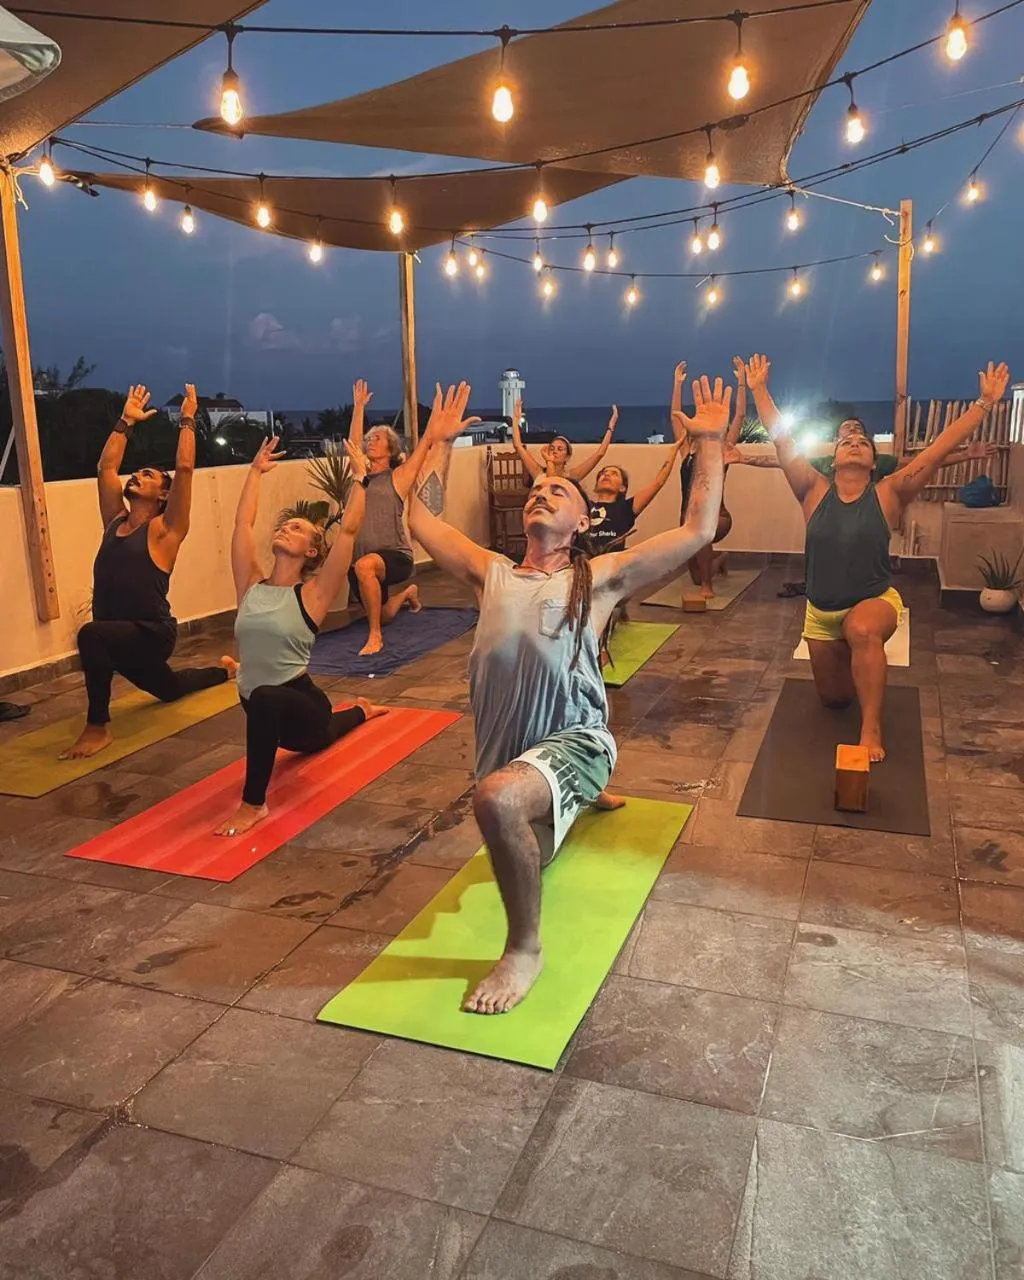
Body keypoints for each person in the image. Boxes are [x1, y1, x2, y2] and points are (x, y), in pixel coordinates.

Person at [409, 376, 728, 1015]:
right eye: (535, 489)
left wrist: (713, 442)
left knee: (497, 802)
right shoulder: (490, 570)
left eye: (556, 489)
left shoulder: (600, 578)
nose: (540, 492)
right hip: (507, 748)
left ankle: (524, 950)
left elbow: (697, 530)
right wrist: (437, 443)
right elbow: (420, 518)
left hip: (578, 740)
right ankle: (573, 800)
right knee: (516, 833)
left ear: (582, 520)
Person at [746, 353, 1010, 762]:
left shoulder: (889, 493)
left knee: (863, 629)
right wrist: (760, 390)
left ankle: (871, 729)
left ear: (873, 461)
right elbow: (782, 440)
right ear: (833, 459)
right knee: (834, 701)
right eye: (846, 441)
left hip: (873, 602)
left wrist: (984, 405)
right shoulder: (812, 490)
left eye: (863, 443)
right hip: (820, 612)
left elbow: (936, 452)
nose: (855, 443)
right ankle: (861, 666)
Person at [216, 435, 387, 837]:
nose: (287, 527)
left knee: (304, 719)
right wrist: (255, 472)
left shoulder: (313, 595)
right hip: (263, 708)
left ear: (311, 552)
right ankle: (363, 710)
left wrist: (360, 479)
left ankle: (253, 804)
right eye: (285, 525)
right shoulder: (251, 588)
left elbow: (347, 532)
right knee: (326, 724)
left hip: (299, 705)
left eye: (297, 529)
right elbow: (243, 524)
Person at [60, 383, 229, 760]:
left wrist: (187, 418)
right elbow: (106, 468)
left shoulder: (166, 531)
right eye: (138, 472)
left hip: (151, 634)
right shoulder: (113, 521)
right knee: (170, 688)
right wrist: (125, 422)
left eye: (148, 474)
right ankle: (225, 672)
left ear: (164, 495)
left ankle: (97, 726)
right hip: (120, 639)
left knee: (92, 635)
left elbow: (184, 468)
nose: (137, 475)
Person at [728, 418, 1000, 597]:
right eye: (847, 432)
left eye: (858, 430)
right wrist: (743, 459)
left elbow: (923, 462)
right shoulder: (822, 464)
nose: (854, 433)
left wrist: (965, 454)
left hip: (866, 527)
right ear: (836, 446)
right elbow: (782, 460)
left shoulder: (878, 464)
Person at [345, 377, 430, 656]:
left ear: (390, 449)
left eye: (377, 438)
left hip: (395, 555)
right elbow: (354, 445)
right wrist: (358, 407)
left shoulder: (397, 478)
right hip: (363, 558)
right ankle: (406, 595)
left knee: (365, 568)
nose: (371, 442)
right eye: (370, 438)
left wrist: (436, 432)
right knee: (381, 612)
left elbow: (420, 454)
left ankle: (374, 637)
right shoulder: (359, 477)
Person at [673, 357, 746, 596]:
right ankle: (719, 559)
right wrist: (677, 383)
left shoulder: (722, 451)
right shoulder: (686, 450)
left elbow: (739, 417)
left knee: (701, 532)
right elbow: (676, 416)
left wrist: (742, 384)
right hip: (688, 517)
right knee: (694, 574)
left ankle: (708, 585)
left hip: (719, 516)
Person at [587, 440, 683, 556]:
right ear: (596, 485)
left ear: (622, 488)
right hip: (583, 564)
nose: (606, 475)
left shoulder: (626, 508)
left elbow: (658, 483)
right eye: (603, 473)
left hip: (611, 565)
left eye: (614, 474)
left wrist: (673, 450)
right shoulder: (584, 506)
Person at [511, 400, 619, 485]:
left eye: (560, 449)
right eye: (552, 448)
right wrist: (515, 419)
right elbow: (518, 446)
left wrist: (611, 427)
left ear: (567, 457)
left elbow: (599, 454)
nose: (555, 452)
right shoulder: (538, 472)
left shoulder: (572, 476)